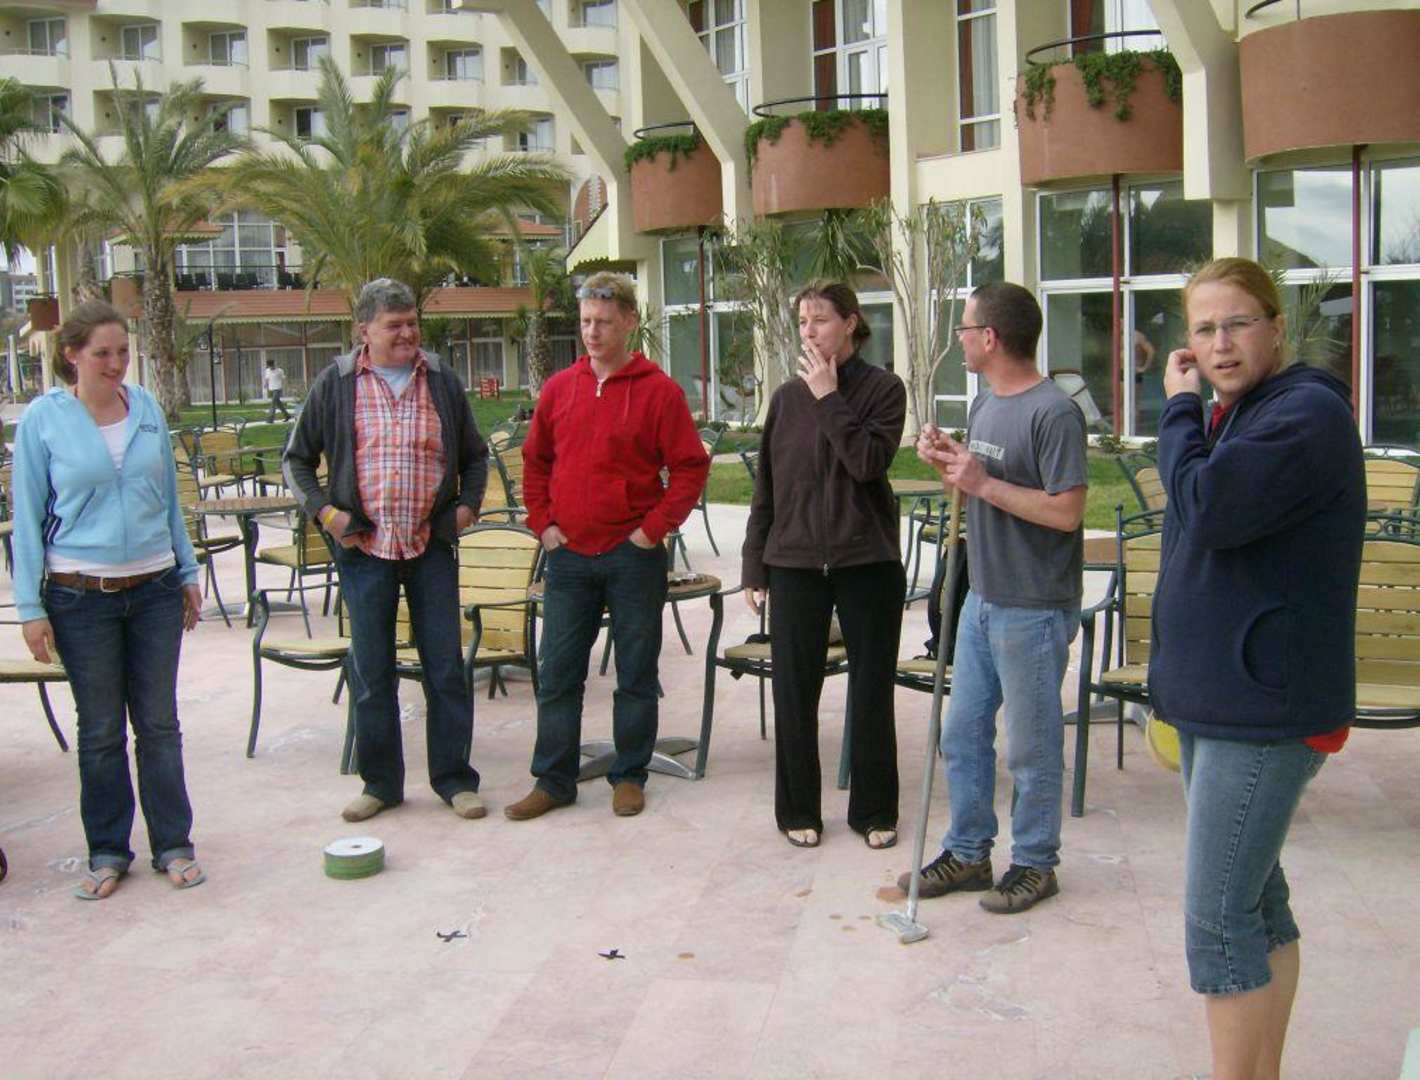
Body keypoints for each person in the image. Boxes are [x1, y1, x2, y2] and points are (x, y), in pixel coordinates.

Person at [1153, 258, 1364, 1080]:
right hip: (1226, 699)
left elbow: (1206, 508)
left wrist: (1177, 409)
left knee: (1216, 921)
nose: (1221, 343)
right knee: (1257, 905)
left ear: (1277, 327)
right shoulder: (1242, 414)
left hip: (1265, 708)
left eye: (1237, 322)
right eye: (1204, 328)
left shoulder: (1304, 415)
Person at [901, 281, 1087, 914]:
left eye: (964, 328)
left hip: (1033, 606)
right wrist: (949, 466)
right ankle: (969, 853)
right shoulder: (984, 405)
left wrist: (982, 483)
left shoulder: (1053, 413)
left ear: (990, 337)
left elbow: (1066, 513)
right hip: (981, 598)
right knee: (962, 733)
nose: (959, 339)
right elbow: (976, 489)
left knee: (1031, 748)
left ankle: (1035, 863)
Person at [10, 299, 205, 900]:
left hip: (154, 589)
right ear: (72, 355)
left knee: (159, 724)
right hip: (79, 596)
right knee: (99, 731)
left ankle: (173, 844)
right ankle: (107, 851)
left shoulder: (144, 409)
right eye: (102, 353)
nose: (116, 364)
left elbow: (169, 500)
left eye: (122, 351)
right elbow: (26, 519)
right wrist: (30, 608)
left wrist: (187, 570)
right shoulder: (43, 421)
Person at [284, 278, 489, 823]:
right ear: (364, 331)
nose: (407, 333)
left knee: (445, 668)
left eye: (412, 322)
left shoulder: (441, 379)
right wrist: (327, 514)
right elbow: (295, 460)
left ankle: (454, 780)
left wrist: (466, 509)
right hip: (364, 548)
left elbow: (475, 456)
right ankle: (380, 785)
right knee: (372, 672)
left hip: (429, 547)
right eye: (394, 325)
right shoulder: (336, 383)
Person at [506, 272, 710, 821]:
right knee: (558, 672)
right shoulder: (559, 389)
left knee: (636, 672)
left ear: (629, 322)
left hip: (632, 556)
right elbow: (535, 462)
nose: (592, 332)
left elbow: (690, 467)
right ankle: (554, 780)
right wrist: (543, 525)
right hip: (569, 555)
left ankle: (629, 774)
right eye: (585, 322)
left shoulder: (659, 391)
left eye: (602, 322)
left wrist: (653, 529)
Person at [741, 280, 907, 850]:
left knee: (871, 691)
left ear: (850, 323)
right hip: (795, 563)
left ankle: (875, 810)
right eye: (802, 323)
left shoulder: (884, 389)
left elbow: (866, 463)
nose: (808, 333)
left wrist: (829, 397)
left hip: (868, 562)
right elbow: (768, 487)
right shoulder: (786, 398)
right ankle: (797, 810)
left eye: (820, 320)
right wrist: (754, 565)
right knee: (793, 692)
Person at [263, 358, 291, 422]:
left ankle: (270, 419)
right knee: (279, 404)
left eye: (272, 366)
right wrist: (265, 385)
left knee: (273, 404)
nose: (271, 367)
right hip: (271, 389)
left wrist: (287, 386)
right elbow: (267, 379)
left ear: (274, 364)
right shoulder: (267, 371)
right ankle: (287, 415)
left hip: (278, 389)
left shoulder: (279, 370)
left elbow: (284, 378)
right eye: (269, 366)